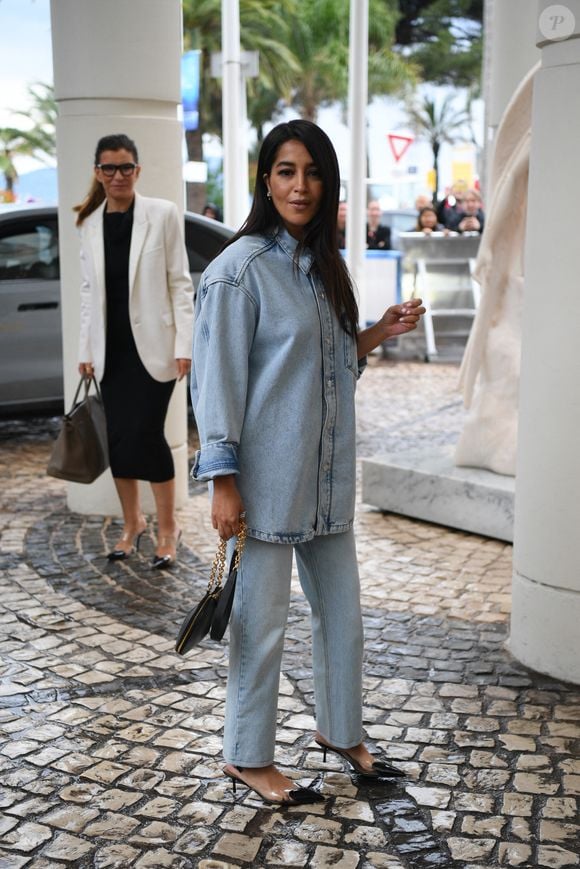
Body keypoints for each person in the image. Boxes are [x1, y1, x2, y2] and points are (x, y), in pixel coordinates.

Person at [190, 120, 424, 805]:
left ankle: (341, 730)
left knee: (342, 618)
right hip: (263, 488)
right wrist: (224, 483)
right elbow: (218, 385)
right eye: (287, 171)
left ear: (330, 184)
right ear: (266, 179)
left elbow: (325, 369)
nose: (301, 185)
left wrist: (378, 331)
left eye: (314, 172)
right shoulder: (238, 272)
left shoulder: (322, 266)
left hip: (324, 483)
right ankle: (247, 755)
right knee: (260, 629)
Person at [76, 133, 194, 569]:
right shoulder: (89, 224)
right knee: (119, 440)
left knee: (147, 435)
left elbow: (180, 283)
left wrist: (185, 343)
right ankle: (132, 523)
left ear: (137, 171)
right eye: (109, 168)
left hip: (154, 349)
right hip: (110, 353)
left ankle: (168, 529)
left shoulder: (162, 214)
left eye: (126, 167)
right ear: (98, 173)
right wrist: (86, 348)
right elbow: (89, 293)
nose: (118, 175)